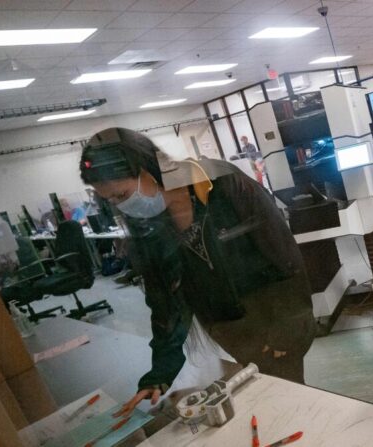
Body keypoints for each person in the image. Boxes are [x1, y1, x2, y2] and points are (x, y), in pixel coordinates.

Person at [79, 128, 315, 418]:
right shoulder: (149, 228)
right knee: (267, 401)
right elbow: (165, 302)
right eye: (113, 201)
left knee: (291, 401)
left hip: (277, 318)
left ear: (148, 169)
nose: (124, 206)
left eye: (123, 194)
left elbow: (285, 260)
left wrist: (285, 337)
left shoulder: (222, 184)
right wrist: (160, 372)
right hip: (231, 329)